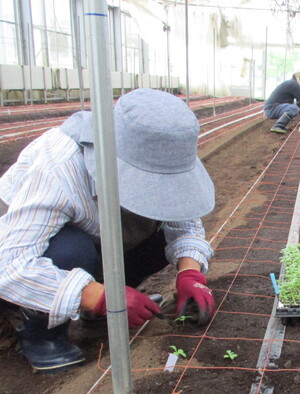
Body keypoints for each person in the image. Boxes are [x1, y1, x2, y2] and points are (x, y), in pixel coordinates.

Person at [0, 88, 217, 373]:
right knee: (71, 250)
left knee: (159, 232)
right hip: (28, 246)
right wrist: (105, 297)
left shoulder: (158, 152)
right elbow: (10, 265)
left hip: (97, 235)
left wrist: (191, 273)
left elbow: (182, 218)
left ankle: (98, 313)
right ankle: (39, 332)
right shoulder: (59, 167)